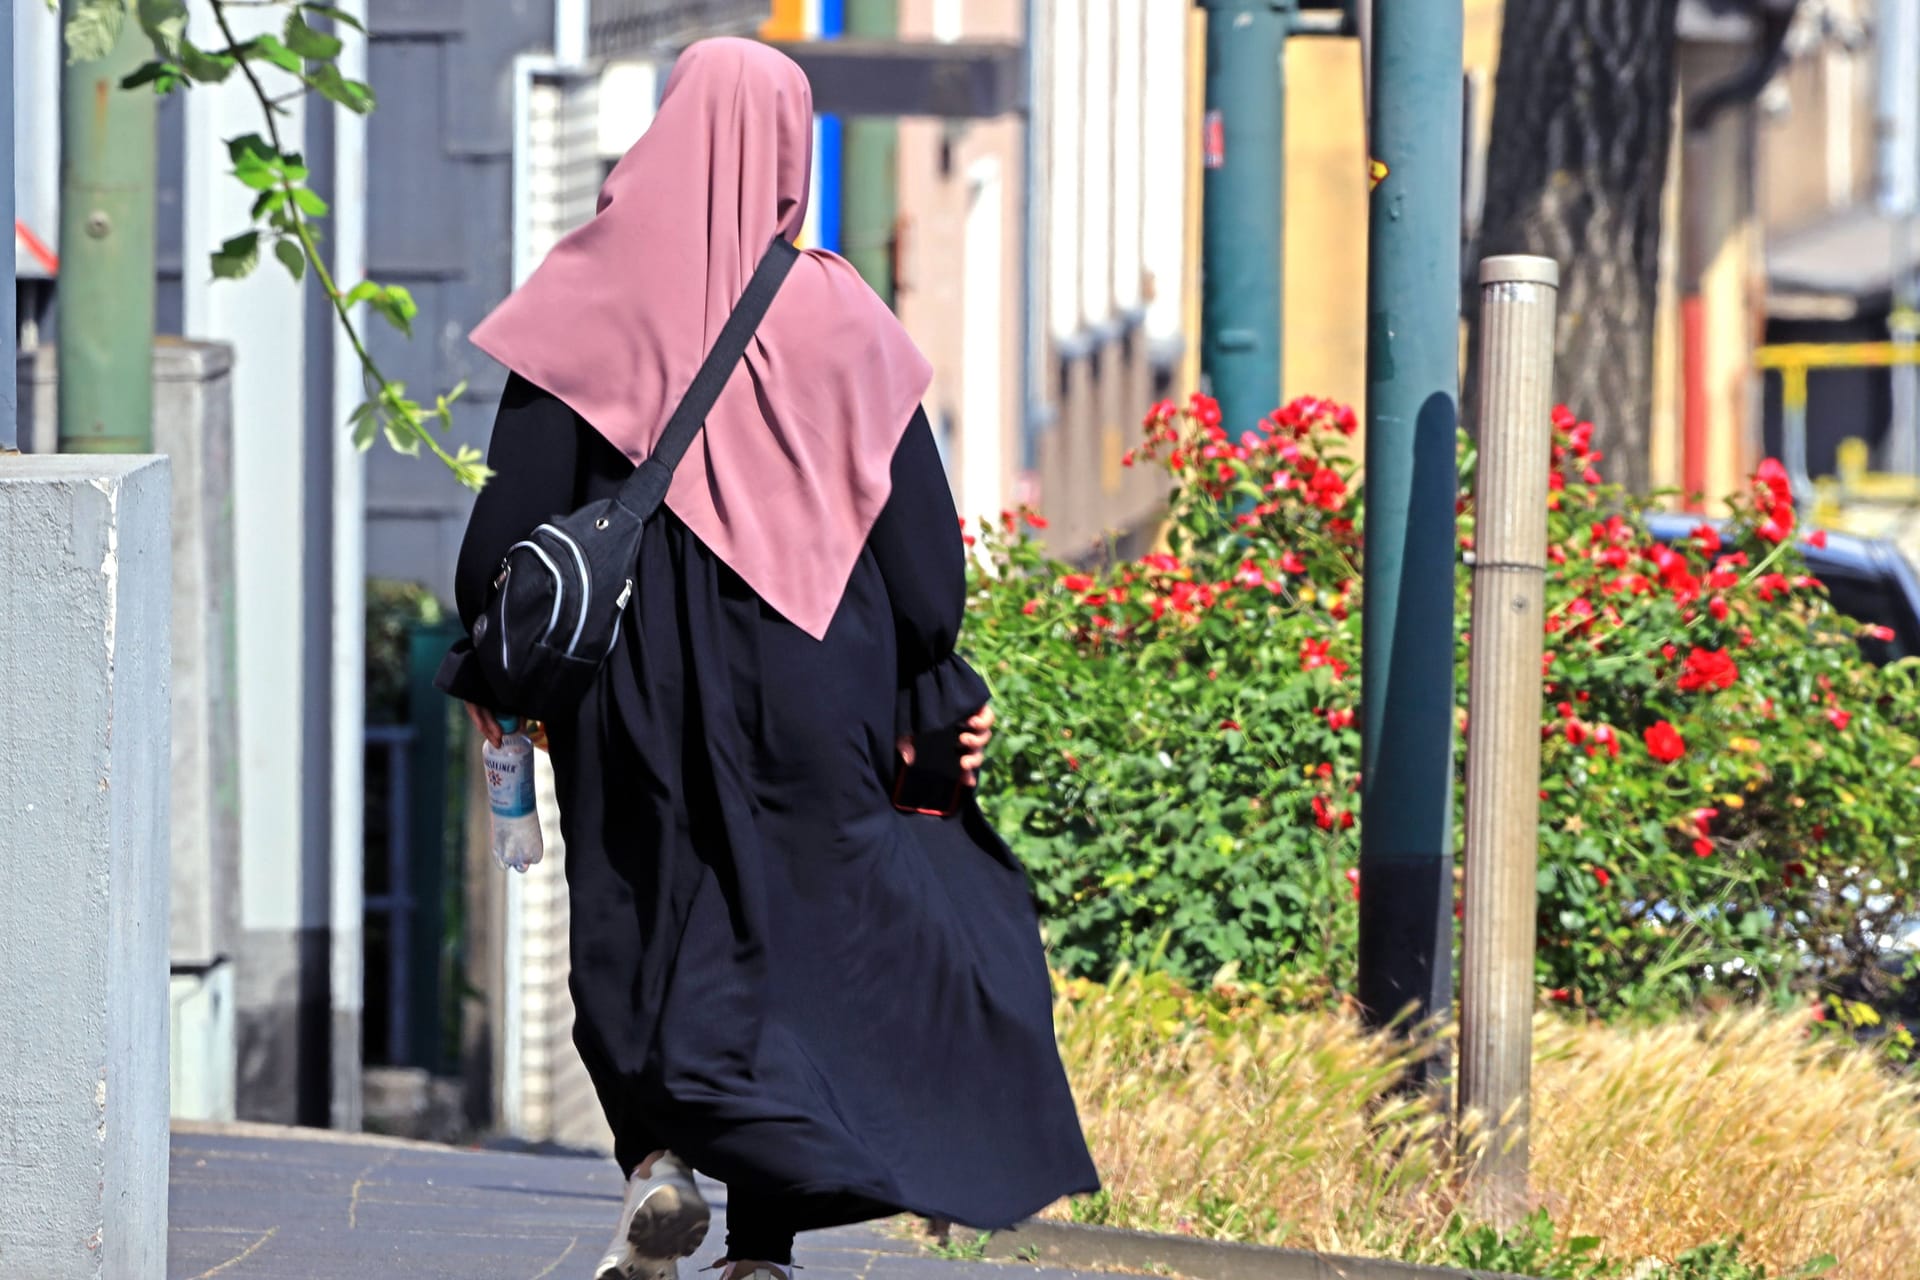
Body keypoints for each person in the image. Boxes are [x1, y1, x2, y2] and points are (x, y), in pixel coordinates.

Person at [439, 36, 1099, 1280]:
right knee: (783, 946)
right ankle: (765, 1247)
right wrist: (927, 682)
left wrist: (501, 675)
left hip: (629, 690)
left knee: (633, 916)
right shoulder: (843, 313)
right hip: (814, 682)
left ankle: (654, 1165)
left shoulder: (589, 297)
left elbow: (505, 529)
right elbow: (923, 567)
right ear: (791, 154)